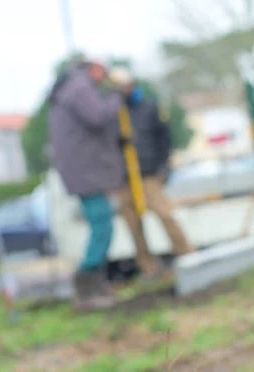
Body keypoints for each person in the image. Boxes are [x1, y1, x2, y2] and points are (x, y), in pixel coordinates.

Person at [49, 56, 125, 311]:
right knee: (102, 224)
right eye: (103, 72)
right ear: (94, 68)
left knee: (101, 223)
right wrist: (117, 96)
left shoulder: (70, 87)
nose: (104, 78)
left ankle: (93, 284)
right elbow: (99, 116)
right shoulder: (80, 87)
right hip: (86, 172)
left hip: (81, 170)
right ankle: (88, 286)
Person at [109, 67, 194, 279]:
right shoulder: (112, 113)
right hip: (124, 178)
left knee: (164, 214)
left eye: (125, 85)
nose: (123, 90)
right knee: (133, 223)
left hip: (147, 174)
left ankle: (187, 255)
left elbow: (164, 138)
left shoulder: (149, 107)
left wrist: (163, 166)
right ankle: (147, 265)